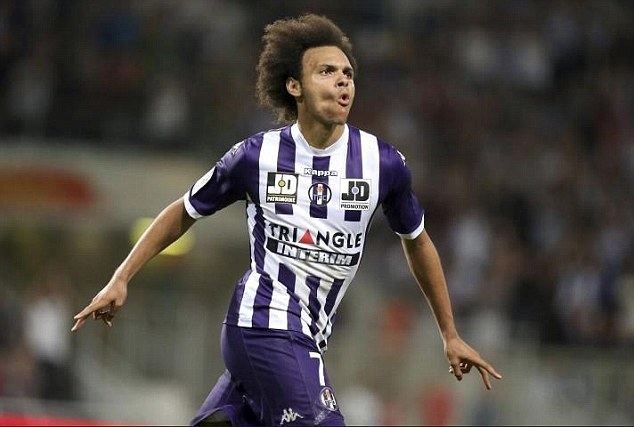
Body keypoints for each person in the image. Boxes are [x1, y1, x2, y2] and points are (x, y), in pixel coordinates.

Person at [72, 14, 502, 426]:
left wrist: (449, 333)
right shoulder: (255, 158)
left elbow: (418, 241)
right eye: (326, 71)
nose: (342, 81)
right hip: (263, 323)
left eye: (348, 73)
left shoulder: (382, 164)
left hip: (306, 339)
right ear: (294, 85)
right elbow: (183, 212)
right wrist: (121, 276)